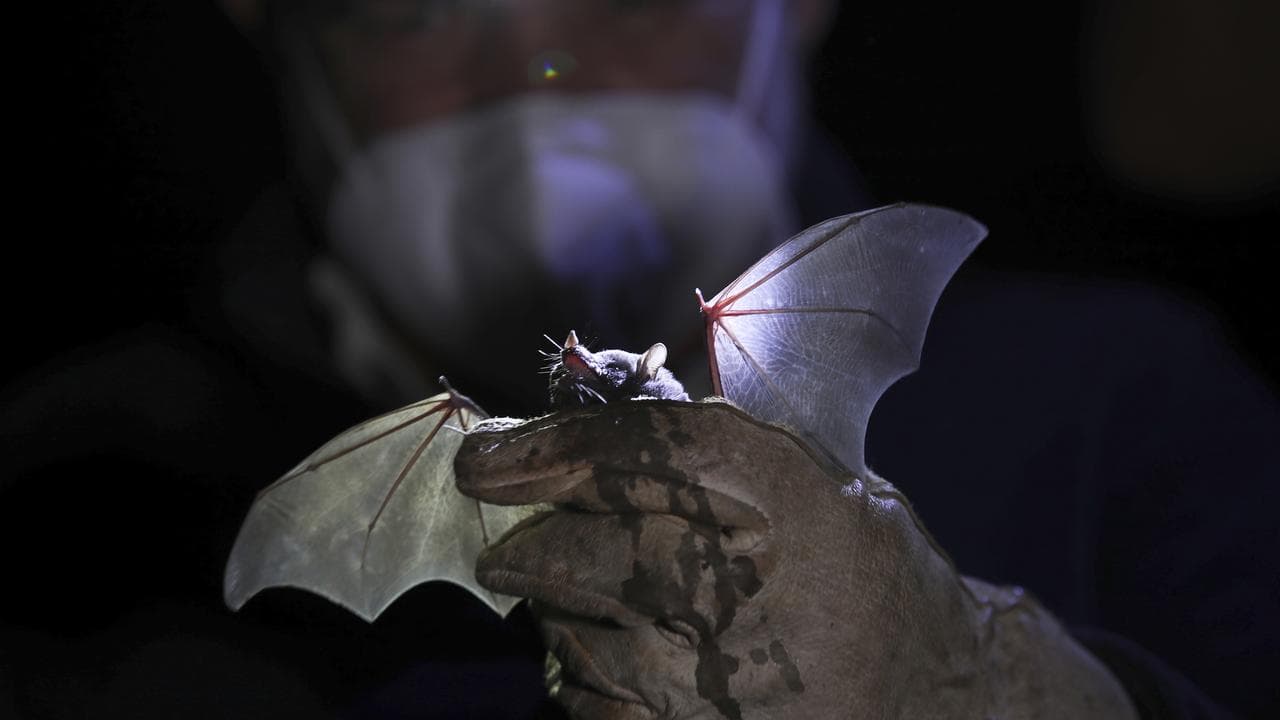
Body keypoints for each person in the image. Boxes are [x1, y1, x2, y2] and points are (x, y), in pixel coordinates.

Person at [3, 0, 1275, 717]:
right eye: (409, 10)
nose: (541, 75)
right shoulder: (89, 501)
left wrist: (995, 687)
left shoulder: (1119, 401)